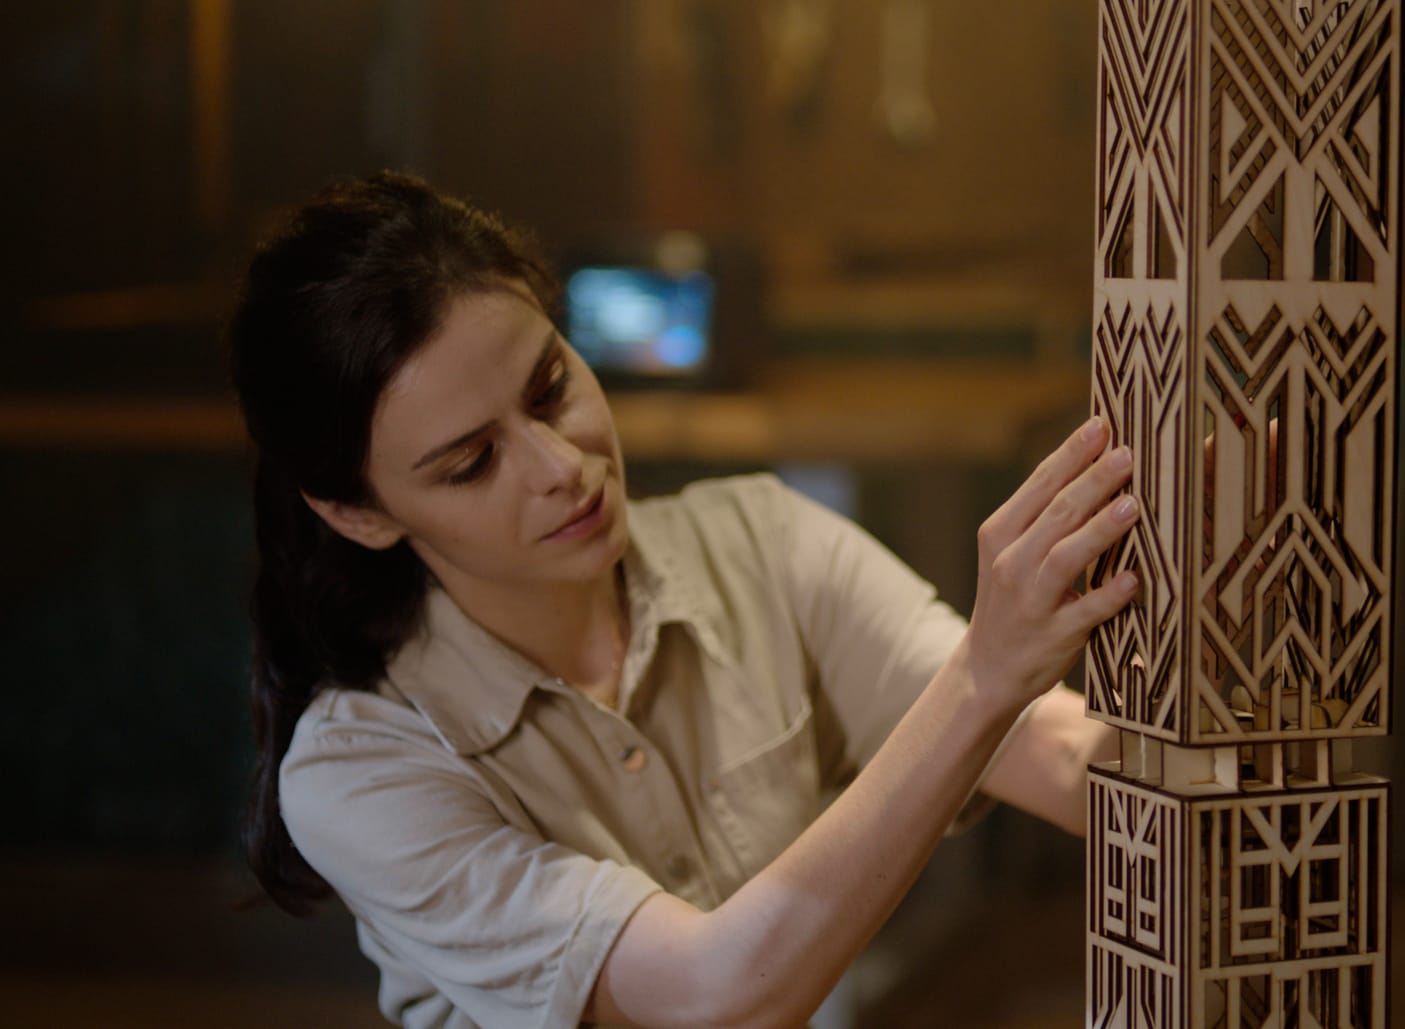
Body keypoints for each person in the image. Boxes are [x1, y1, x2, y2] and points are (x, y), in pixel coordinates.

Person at [230, 171, 1140, 1029]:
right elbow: (719, 995)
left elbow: (1055, 752)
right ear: (359, 512)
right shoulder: (358, 770)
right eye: (472, 464)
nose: (561, 466)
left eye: (551, 389)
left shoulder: (761, 541)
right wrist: (985, 675)